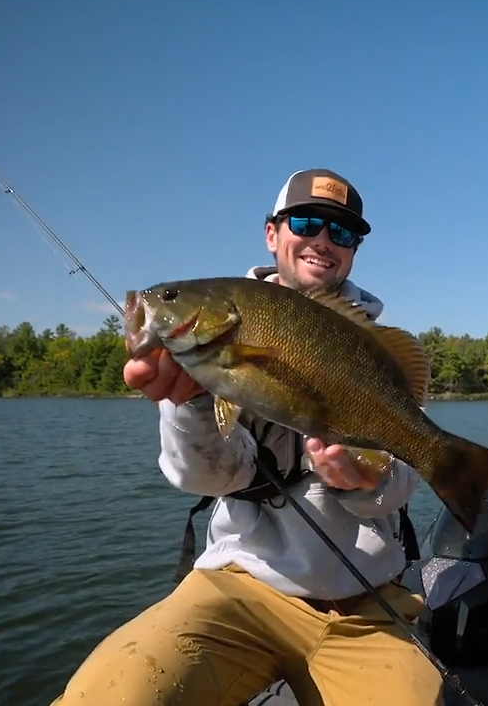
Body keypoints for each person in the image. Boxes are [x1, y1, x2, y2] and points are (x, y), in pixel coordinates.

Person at [52, 168, 443, 706]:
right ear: (272, 233)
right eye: (307, 222)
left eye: (343, 232)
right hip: (238, 585)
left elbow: (398, 486)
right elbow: (206, 477)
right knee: (105, 695)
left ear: (353, 249)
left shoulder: (371, 344)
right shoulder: (222, 330)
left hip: (367, 599)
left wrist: (365, 478)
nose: (324, 241)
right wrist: (190, 402)